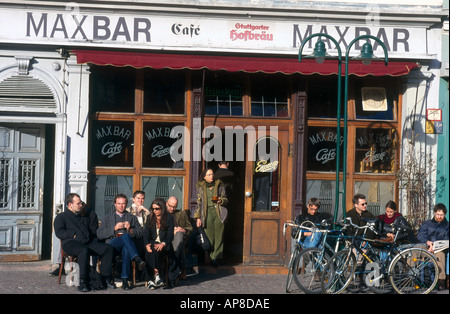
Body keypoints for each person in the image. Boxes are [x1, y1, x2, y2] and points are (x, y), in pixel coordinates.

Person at [54, 193, 115, 292]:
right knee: (83, 250)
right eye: (78, 203)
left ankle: (105, 278)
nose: (81, 205)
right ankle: (82, 281)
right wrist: (73, 234)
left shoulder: (83, 217)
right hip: (70, 244)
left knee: (108, 248)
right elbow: (59, 232)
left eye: (81, 203)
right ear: (70, 205)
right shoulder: (61, 217)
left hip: (86, 243)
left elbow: (91, 231)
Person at [97, 193, 146, 290]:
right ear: (115, 204)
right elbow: (99, 234)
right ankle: (137, 259)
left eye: (123, 204)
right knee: (126, 238)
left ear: (126, 204)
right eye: (119, 203)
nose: (121, 206)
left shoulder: (132, 218)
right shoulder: (107, 218)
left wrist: (131, 230)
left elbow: (141, 233)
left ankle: (124, 280)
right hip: (112, 246)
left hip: (127, 247)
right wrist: (114, 229)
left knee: (126, 247)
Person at [194, 168, 228, 267]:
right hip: (206, 213)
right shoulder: (201, 186)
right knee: (209, 237)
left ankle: (215, 257)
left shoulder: (219, 184)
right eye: (209, 175)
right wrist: (198, 217)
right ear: (204, 177)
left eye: (212, 174)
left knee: (219, 236)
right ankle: (210, 256)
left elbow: (225, 199)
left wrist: (220, 200)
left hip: (218, 212)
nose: (211, 176)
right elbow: (198, 203)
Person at [144, 198, 179, 289]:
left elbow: (170, 236)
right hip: (152, 244)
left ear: (162, 208)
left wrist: (163, 243)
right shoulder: (150, 217)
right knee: (151, 250)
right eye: (153, 209)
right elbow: (146, 234)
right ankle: (156, 276)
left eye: (157, 209)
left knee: (154, 250)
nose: (154, 211)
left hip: (165, 245)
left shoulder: (169, 218)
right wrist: (146, 244)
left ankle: (151, 279)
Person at [417, 203, 449, 291]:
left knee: (440, 255)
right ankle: (413, 277)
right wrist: (428, 243)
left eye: (442, 215)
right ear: (434, 213)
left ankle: (441, 280)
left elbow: (447, 239)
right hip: (426, 245)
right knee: (415, 252)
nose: (439, 216)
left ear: (445, 214)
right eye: (438, 214)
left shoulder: (447, 226)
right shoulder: (427, 223)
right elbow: (420, 235)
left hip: (440, 248)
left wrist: (435, 246)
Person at [166, 196, 193, 280]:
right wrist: (171, 231)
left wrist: (183, 230)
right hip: (167, 238)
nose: (172, 208)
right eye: (170, 206)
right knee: (180, 245)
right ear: (166, 203)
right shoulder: (163, 214)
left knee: (179, 235)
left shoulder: (181, 214)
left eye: (174, 206)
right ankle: (181, 269)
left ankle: (173, 264)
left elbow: (190, 229)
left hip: (181, 237)